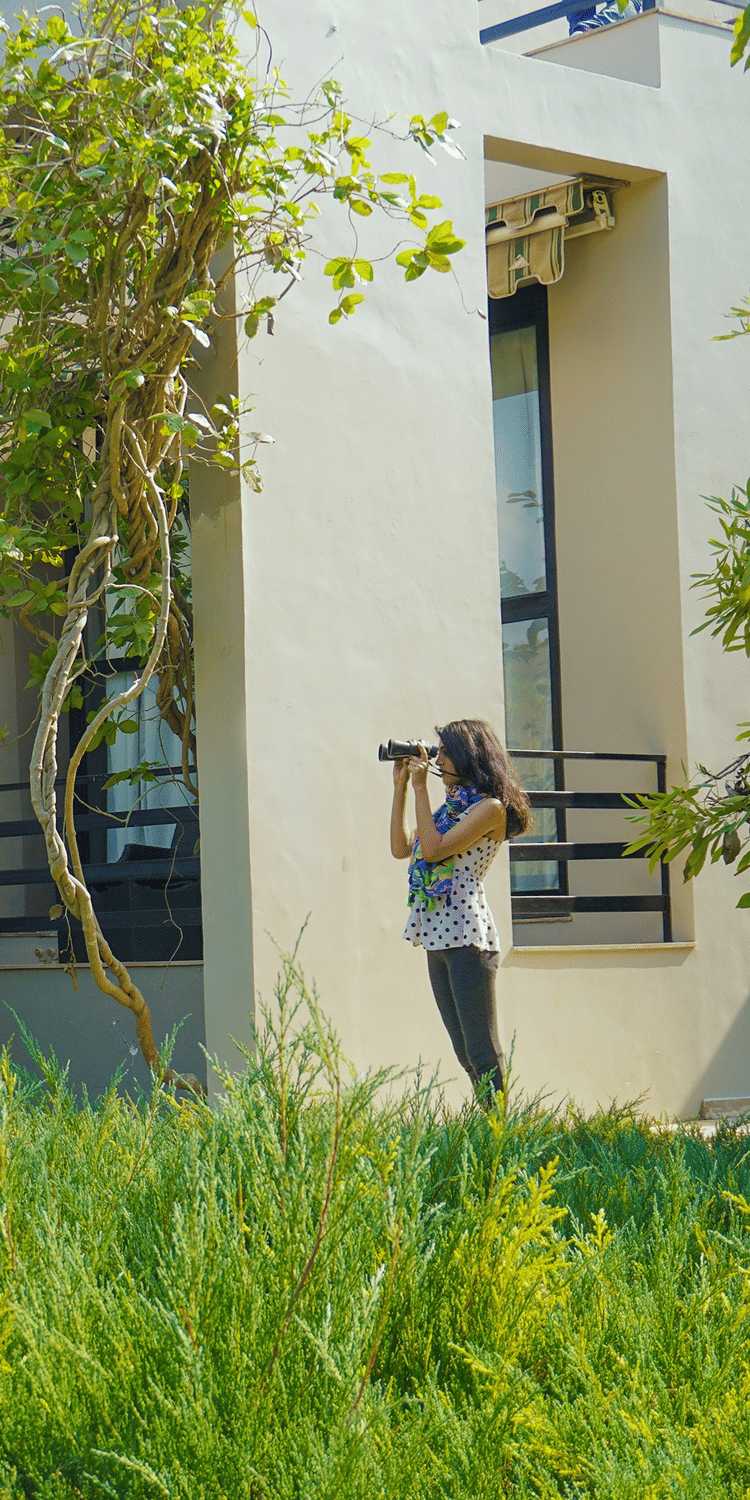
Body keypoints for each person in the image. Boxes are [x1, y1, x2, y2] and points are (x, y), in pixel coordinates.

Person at [389, 719, 531, 1104]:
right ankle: (489, 1125)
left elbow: (434, 850)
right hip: (437, 936)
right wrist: (402, 787)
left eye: (446, 753)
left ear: (469, 756)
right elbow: (402, 848)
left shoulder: (489, 809)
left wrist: (421, 787)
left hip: (468, 938)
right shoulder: (450, 810)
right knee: (464, 1053)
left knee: (482, 1051)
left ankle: (501, 1129)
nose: (439, 761)